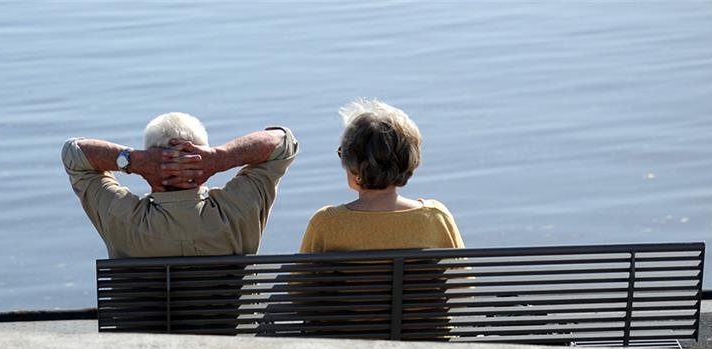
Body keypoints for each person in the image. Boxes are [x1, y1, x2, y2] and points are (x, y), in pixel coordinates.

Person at [62, 112, 298, 258]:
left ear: (150, 154)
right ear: (201, 154)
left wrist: (135, 161)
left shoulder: (120, 216)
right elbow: (283, 142)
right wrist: (220, 157)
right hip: (231, 334)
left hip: (142, 337)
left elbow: (74, 154)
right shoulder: (240, 208)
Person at [299, 99, 464, 253]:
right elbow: (462, 281)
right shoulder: (436, 218)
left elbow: (299, 282)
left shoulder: (327, 223)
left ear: (352, 164)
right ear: (408, 161)